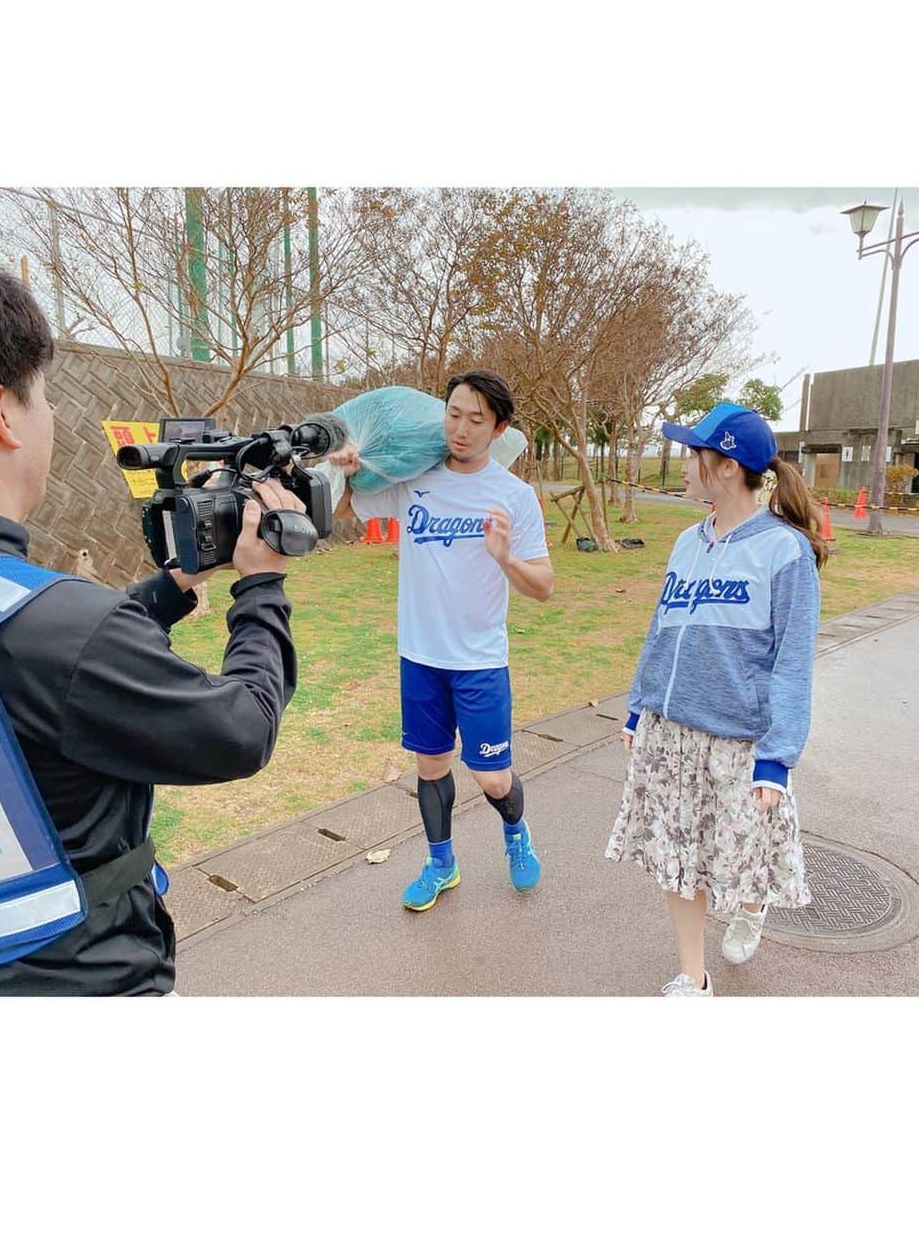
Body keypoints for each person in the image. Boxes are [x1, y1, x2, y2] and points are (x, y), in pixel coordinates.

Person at [0, 240, 303, 996]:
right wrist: (261, 587)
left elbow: (22, 656)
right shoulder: (62, 630)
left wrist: (167, 592)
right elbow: (236, 731)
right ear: (3, 410)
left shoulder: (51, 628)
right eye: (44, 394)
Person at [605, 402, 826, 997]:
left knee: (738, 855)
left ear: (725, 466)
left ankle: (752, 903)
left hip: (738, 741)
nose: (682, 465)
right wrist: (638, 704)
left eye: (691, 453)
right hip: (670, 731)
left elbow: (793, 662)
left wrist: (777, 758)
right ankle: (692, 977)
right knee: (678, 855)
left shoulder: (784, 551)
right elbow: (662, 628)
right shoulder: (686, 541)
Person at [331, 370, 552, 910]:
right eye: (453, 413)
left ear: (498, 428)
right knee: (430, 767)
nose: (461, 428)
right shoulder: (415, 480)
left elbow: (543, 587)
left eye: (476, 419)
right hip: (420, 656)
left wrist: (504, 557)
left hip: (478, 660)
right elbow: (341, 512)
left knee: (491, 776)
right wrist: (351, 471)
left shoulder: (513, 496)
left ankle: (516, 836)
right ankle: (441, 864)